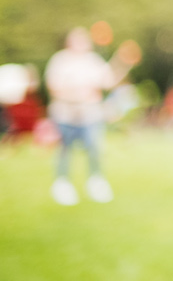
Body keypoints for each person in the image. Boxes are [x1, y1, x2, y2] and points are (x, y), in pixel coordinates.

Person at [44, 28, 140, 205]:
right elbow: (54, 87)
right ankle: (62, 184)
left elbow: (108, 81)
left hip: (90, 115)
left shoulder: (92, 61)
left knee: (95, 149)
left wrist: (123, 61)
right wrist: (79, 93)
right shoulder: (60, 60)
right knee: (64, 151)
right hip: (65, 115)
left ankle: (96, 183)